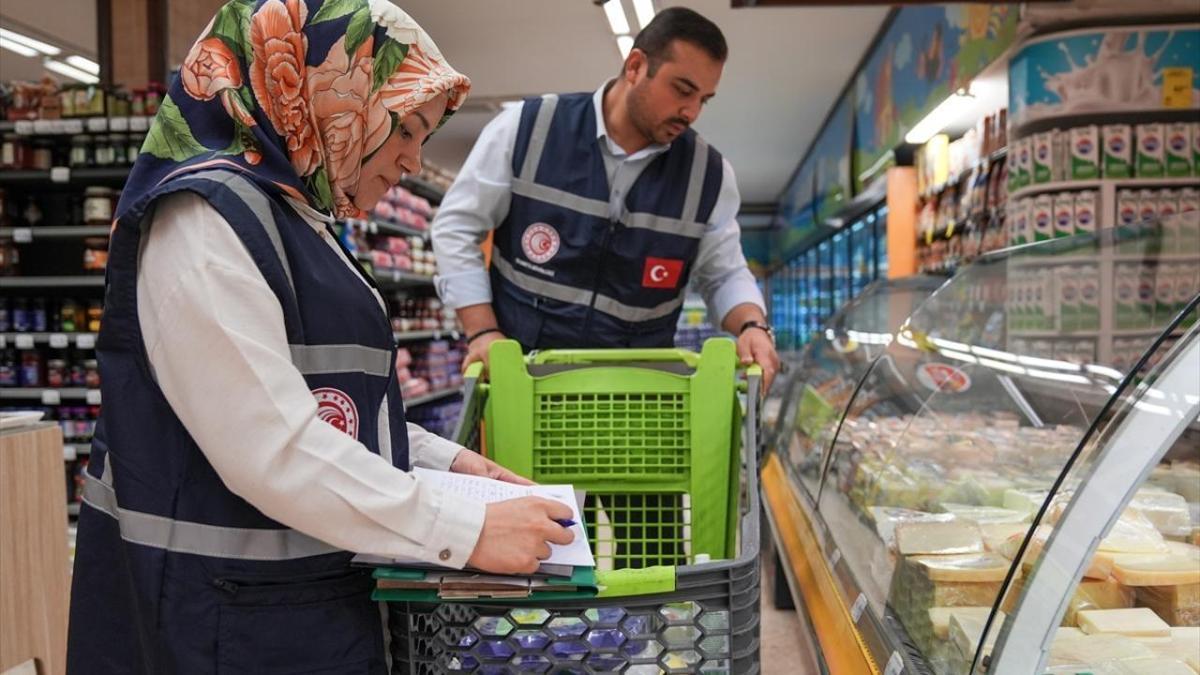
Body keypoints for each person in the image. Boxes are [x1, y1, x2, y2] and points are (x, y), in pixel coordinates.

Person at [67, 1, 571, 672]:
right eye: (407, 129)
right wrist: (464, 529)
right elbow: (269, 446)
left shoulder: (296, 214)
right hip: (215, 625)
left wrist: (438, 460)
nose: (411, 161)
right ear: (330, 95)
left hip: (287, 610)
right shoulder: (204, 221)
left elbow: (316, 398)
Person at [432, 6, 780, 390]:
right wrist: (482, 331)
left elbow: (724, 273)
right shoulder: (529, 128)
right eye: (682, 90)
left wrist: (753, 325)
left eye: (704, 99)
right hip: (523, 386)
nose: (692, 112)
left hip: (636, 399)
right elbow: (457, 226)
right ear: (635, 66)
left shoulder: (707, 175)